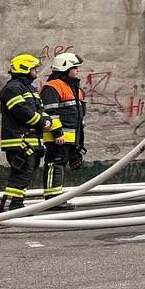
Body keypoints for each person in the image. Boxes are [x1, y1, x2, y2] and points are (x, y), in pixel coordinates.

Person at [0, 54, 60, 212]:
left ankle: (15, 206)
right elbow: (22, 111)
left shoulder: (30, 89)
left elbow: (41, 109)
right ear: (24, 68)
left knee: (26, 174)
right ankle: (10, 208)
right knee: (21, 175)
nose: (36, 71)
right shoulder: (12, 88)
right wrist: (41, 122)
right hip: (19, 141)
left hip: (32, 141)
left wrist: (48, 121)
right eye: (33, 68)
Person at [39, 52, 86, 200]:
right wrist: (57, 133)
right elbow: (50, 113)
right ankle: (52, 199)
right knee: (55, 164)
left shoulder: (73, 87)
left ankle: (57, 197)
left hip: (69, 137)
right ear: (65, 68)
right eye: (75, 67)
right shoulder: (52, 87)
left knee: (60, 165)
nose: (77, 70)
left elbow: (78, 115)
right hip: (57, 137)